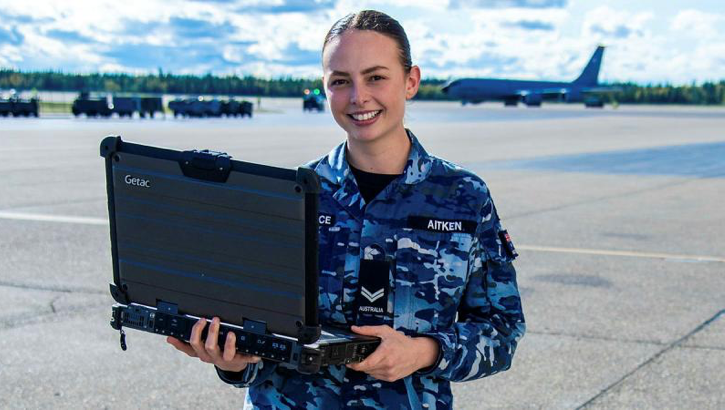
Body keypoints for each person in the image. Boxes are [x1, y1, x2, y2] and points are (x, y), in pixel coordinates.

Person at [167, 10, 525, 409]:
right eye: (340, 81)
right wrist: (232, 362)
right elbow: (258, 336)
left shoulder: (464, 198)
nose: (358, 97)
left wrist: (423, 351)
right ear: (325, 89)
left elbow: (502, 331)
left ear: (410, 81)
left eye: (375, 77)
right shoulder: (293, 196)